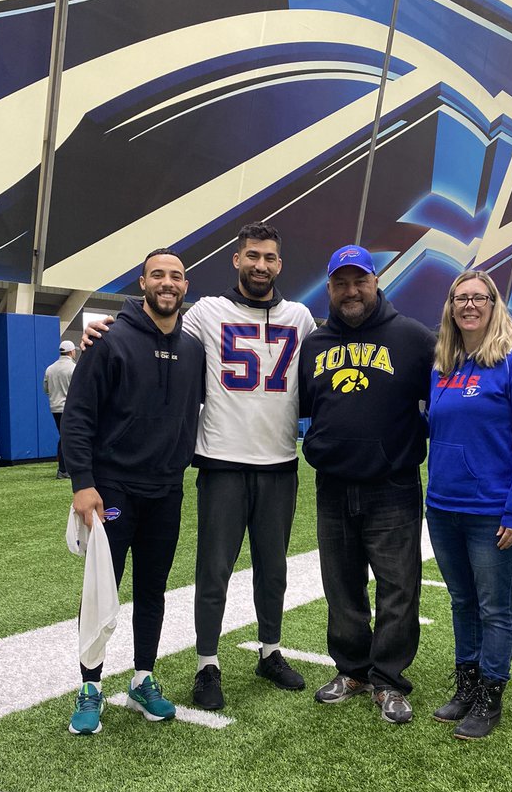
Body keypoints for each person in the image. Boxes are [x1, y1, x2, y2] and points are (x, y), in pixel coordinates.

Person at [84, 222, 316, 711]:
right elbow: (154, 329)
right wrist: (98, 331)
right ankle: (206, 663)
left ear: (280, 263)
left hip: (280, 462)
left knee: (273, 570)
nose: (260, 265)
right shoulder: (206, 312)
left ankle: (270, 651)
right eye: (252, 256)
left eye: (269, 258)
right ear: (237, 260)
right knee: (214, 571)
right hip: (221, 462)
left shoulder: (301, 317)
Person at [61, 250, 205, 735]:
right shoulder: (109, 340)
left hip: (167, 488)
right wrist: (83, 484)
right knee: (102, 588)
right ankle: (90, 685)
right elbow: (78, 416)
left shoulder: (193, 348)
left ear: (185, 287)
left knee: (153, 589)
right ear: (142, 282)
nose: (168, 283)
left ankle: (143, 678)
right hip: (114, 487)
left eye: (177, 276)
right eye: (158, 274)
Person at [299, 245, 435, 724]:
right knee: (341, 586)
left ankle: (390, 678)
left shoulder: (415, 339)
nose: (351, 291)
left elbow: (448, 393)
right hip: (333, 484)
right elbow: (303, 407)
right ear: (330, 288)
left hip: (392, 485)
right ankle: (352, 669)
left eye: (360, 281)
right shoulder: (313, 344)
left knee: (399, 587)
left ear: (376, 282)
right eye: (341, 283)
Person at [426, 271, 512, 740]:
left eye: (479, 298)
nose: (469, 305)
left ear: (495, 305)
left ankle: (491, 694)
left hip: (492, 511)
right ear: (451, 307)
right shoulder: (442, 366)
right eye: (461, 298)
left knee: (494, 606)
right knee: (462, 601)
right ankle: (467, 684)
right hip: (442, 507)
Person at [43, 340, 77, 478]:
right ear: (71, 351)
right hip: (69, 407)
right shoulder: (74, 368)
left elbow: (46, 389)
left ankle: (64, 468)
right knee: (67, 438)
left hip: (55, 407)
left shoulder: (50, 369)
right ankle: (64, 470)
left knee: (64, 436)